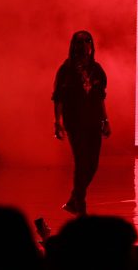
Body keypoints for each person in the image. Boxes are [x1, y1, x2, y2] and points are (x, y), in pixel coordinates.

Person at [52, 30, 111, 215]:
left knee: (92, 164)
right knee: (81, 161)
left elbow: (100, 97)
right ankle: (80, 205)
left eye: (87, 41)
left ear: (91, 45)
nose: (84, 45)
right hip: (75, 122)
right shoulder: (66, 70)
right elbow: (58, 98)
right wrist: (57, 121)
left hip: (93, 121)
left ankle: (74, 199)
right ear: (73, 45)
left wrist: (105, 120)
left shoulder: (97, 70)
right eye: (79, 42)